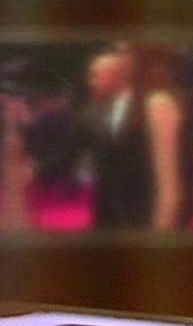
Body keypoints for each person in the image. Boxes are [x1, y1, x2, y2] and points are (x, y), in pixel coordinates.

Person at [75, 46, 183, 231]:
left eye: (126, 52)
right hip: (110, 221)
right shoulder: (116, 102)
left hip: (141, 222)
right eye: (120, 52)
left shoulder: (158, 102)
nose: (120, 59)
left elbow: (169, 188)